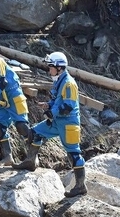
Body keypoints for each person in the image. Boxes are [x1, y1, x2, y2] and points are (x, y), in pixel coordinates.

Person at [13, 52, 88, 198]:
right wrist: (48, 105)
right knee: (34, 133)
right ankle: (30, 161)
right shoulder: (60, 80)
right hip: (57, 121)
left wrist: (52, 113)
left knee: (74, 154)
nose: (49, 70)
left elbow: (68, 106)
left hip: (68, 124)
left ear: (59, 67)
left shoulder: (69, 83)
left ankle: (80, 186)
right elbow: (59, 101)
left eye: (50, 67)